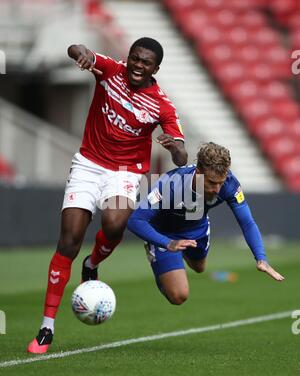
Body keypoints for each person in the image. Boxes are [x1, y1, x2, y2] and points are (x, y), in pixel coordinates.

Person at [27, 37, 188, 354]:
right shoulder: (111, 71)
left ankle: (93, 262)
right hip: (88, 163)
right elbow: (74, 48)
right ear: (128, 58)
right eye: (135, 58)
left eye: (146, 62)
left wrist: (176, 148)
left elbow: (182, 157)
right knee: (69, 239)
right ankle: (46, 328)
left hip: (126, 172)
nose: (138, 65)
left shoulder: (162, 104)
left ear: (156, 68)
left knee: (114, 224)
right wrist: (82, 53)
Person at [127, 142, 284, 305]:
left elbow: (247, 223)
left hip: (197, 227)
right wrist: (168, 243)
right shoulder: (170, 185)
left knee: (199, 268)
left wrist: (261, 258)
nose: (217, 189)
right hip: (164, 232)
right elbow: (135, 220)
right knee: (178, 295)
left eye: (220, 183)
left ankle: (180, 253)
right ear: (198, 172)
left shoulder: (230, 184)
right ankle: (158, 258)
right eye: (211, 182)